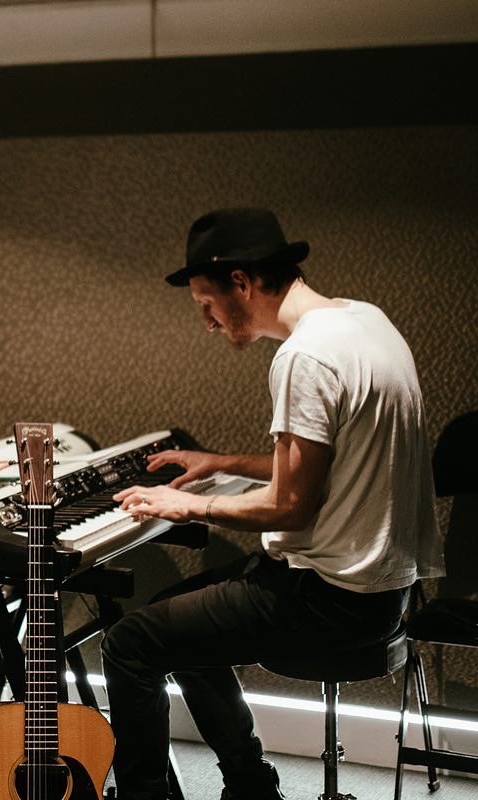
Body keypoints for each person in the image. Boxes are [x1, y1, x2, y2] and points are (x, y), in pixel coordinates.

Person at [100, 208, 442, 800]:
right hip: (389, 592)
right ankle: (250, 784)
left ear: (242, 282)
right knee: (175, 612)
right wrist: (224, 464)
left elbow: (290, 507)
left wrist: (189, 508)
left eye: (206, 303)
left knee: (131, 643)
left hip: (328, 602)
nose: (207, 322)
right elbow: (331, 467)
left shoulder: (303, 357)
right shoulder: (366, 322)